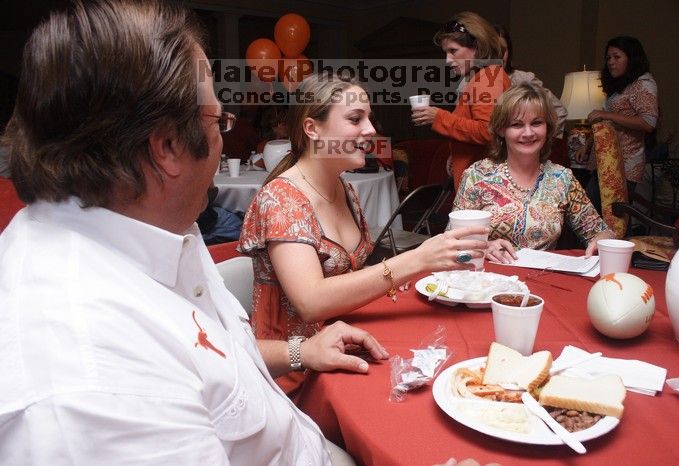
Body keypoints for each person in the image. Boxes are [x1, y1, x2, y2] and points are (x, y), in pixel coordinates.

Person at [0, 1, 390, 464]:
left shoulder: (152, 221)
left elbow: (210, 364)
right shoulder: (92, 391)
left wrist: (300, 349)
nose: (224, 136)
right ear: (167, 147)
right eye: (219, 122)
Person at [238, 72, 489, 397]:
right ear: (312, 128)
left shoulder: (345, 190)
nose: (371, 129)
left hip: (346, 342)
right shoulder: (283, 199)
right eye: (356, 119)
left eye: (369, 118)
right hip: (294, 375)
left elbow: (351, 280)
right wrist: (419, 258)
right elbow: (311, 302)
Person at [453, 83, 614, 263]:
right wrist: (485, 246)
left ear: (548, 127)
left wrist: (602, 240)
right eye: (517, 124)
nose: (528, 133)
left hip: (543, 282)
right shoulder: (477, 176)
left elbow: (600, 231)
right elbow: (450, 239)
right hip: (488, 282)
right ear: (501, 130)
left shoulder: (562, 178)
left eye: (536, 123)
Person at [412, 11, 510, 192]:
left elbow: (488, 132)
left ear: (478, 47)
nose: (448, 60)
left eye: (453, 51)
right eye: (446, 52)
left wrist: (439, 117)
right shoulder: (484, 76)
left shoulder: (487, 79)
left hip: (483, 186)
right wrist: (456, 153)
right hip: (481, 181)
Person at [587, 36, 658, 206]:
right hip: (606, 162)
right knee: (591, 212)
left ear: (631, 59)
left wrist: (607, 115)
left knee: (613, 219)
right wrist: (588, 143)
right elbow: (611, 125)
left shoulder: (643, 83)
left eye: (617, 57)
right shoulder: (622, 85)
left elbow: (648, 123)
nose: (611, 62)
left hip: (623, 165)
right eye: (608, 58)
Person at [492, 24, 568, 140]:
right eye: (494, 49)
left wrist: (540, 142)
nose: (499, 55)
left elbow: (559, 111)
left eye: (503, 50)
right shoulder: (473, 81)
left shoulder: (523, 78)